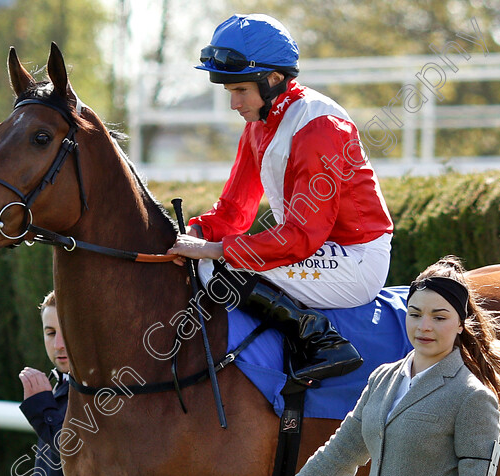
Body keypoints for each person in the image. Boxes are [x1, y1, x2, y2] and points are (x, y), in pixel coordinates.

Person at [167, 13, 394, 384]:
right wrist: (188, 235)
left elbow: (303, 235)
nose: (234, 104)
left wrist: (215, 250)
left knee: (218, 267)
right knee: (206, 263)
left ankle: (320, 339)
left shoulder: (319, 126)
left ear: (273, 79)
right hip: (317, 248)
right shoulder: (259, 125)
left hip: (356, 259)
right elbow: (233, 211)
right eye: (229, 92)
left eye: (240, 91)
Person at [291, 256, 500, 476]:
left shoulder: (473, 398)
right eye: (415, 314)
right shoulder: (381, 378)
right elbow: (338, 456)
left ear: (460, 324)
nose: (424, 326)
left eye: (439, 317)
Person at [18, 291, 69, 476]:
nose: (58, 345)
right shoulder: (61, 383)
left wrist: (43, 410)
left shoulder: (104, 392)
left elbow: (77, 455)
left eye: (67, 331)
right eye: (50, 333)